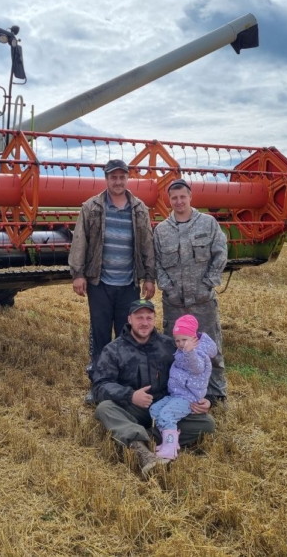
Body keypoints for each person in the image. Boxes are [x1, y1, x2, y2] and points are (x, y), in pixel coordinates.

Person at [91, 299, 215, 476]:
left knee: (207, 424)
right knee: (104, 409)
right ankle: (142, 451)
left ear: (154, 319)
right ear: (129, 319)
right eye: (139, 317)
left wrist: (208, 399)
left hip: (167, 407)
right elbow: (99, 386)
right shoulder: (113, 350)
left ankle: (142, 437)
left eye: (149, 318)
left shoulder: (169, 345)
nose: (144, 322)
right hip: (133, 409)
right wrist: (130, 395)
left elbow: (194, 373)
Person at [68, 159, 156, 405]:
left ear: (128, 179)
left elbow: (147, 245)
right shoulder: (91, 207)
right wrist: (78, 274)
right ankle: (99, 385)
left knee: (128, 335)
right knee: (100, 335)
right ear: (106, 179)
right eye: (113, 177)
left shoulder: (139, 209)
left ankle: (125, 385)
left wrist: (149, 277)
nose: (118, 181)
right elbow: (80, 242)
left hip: (129, 284)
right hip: (100, 284)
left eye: (122, 177)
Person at [153, 178, 228, 404]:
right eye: (174, 198)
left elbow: (220, 254)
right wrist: (168, 288)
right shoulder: (161, 230)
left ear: (190, 197)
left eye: (182, 196)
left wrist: (207, 284)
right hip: (174, 304)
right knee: (173, 350)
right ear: (169, 201)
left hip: (203, 302)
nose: (178, 201)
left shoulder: (208, 223)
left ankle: (216, 395)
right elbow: (156, 263)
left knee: (210, 348)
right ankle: (174, 393)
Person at [149, 314, 216, 461]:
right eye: (177, 340)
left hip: (188, 398)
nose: (180, 344)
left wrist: (189, 352)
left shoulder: (198, 353)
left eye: (184, 340)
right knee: (154, 410)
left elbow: (196, 368)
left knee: (166, 415)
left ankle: (170, 448)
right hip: (176, 395)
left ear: (194, 338)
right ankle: (169, 441)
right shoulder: (182, 351)